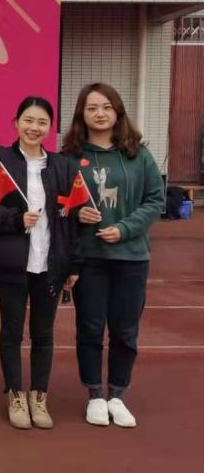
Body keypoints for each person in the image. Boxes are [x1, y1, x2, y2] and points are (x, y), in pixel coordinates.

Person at [0, 97, 80, 429]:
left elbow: (72, 219)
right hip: (12, 263)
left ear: (50, 127)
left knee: (44, 333)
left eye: (42, 122)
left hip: (50, 264)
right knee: (11, 330)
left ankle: (39, 396)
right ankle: (16, 395)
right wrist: (15, 219)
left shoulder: (63, 166)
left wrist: (72, 264)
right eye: (28, 120)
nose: (35, 128)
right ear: (16, 123)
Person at [62, 83, 164, 428]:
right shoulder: (70, 157)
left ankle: (117, 395)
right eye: (92, 108)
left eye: (107, 107)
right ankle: (94, 394)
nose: (100, 114)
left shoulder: (138, 154)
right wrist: (76, 212)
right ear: (82, 114)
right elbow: (58, 201)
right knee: (90, 328)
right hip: (89, 258)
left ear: (118, 112)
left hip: (131, 257)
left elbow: (155, 199)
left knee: (124, 330)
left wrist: (125, 228)